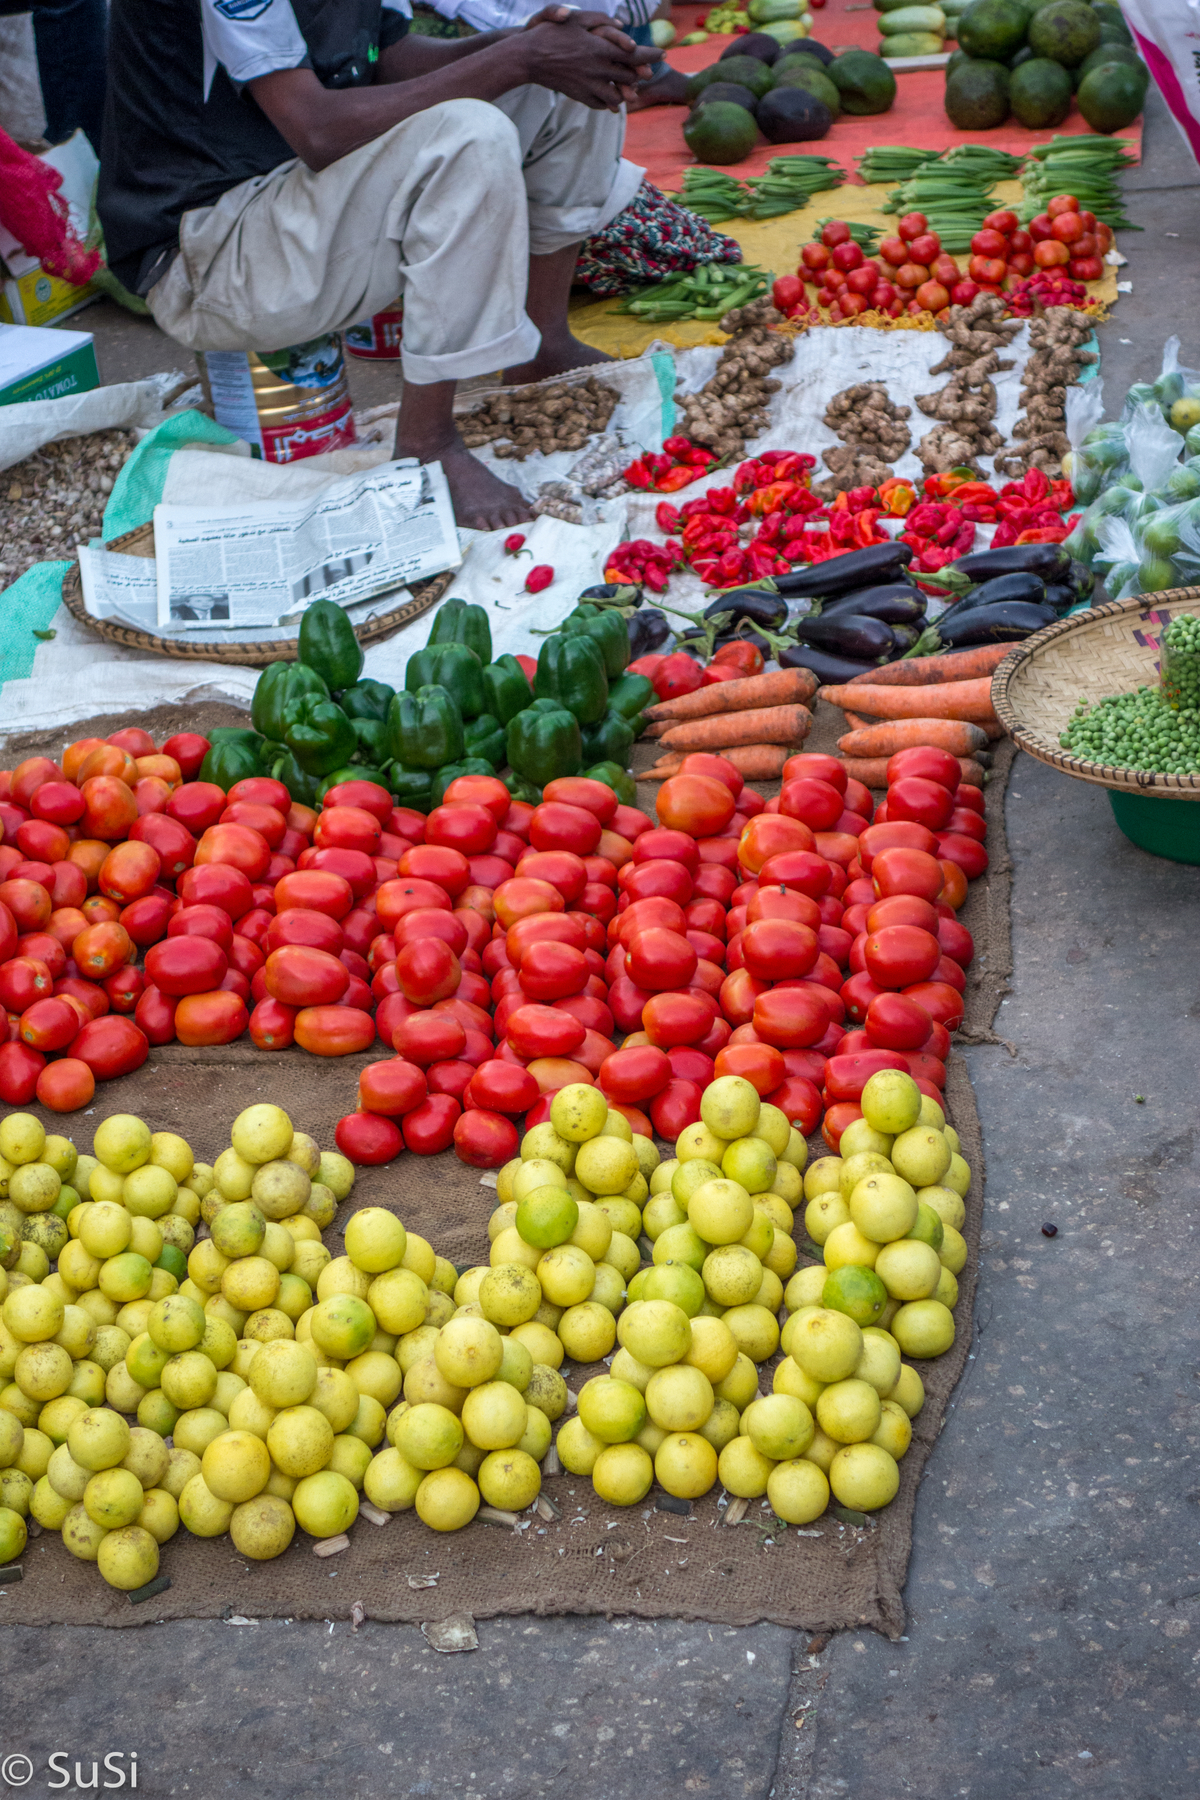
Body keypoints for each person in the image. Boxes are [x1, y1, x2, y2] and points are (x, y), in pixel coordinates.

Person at [97, 0, 658, 530]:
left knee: (571, 76)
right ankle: (426, 442)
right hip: (211, 254)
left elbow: (387, 59)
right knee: (469, 135)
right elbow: (315, 128)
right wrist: (517, 58)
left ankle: (542, 345)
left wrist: (530, 47)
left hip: (294, 202)